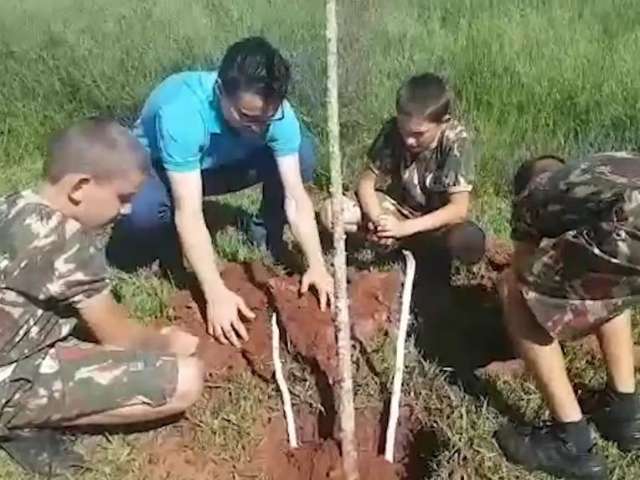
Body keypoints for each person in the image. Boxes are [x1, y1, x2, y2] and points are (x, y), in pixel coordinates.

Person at [0, 119, 204, 476]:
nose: (126, 211)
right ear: (80, 187)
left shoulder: (12, 204)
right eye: (123, 198)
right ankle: (14, 418)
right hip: (7, 374)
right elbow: (119, 337)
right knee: (185, 380)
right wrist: (164, 341)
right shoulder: (68, 244)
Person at [107, 36, 333, 348]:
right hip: (159, 169)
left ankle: (266, 231)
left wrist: (317, 264)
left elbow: (296, 195)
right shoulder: (182, 114)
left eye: (266, 118)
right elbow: (189, 210)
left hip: (219, 167)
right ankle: (167, 245)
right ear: (220, 92)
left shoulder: (277, 115)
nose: (258, 127)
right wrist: (215, 292)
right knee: (146, 214)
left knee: (303, 154)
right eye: (247, 117)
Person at [497, 152, 640, 479]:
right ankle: (625, 414)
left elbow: (524, 269)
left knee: (514, 289)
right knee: (605, 282)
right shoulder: (596, 179)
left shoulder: (533, 197)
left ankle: (570, 443)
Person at [319, 72, 485, 268]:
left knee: (469, 240)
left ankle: (426, 255)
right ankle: (390, 243)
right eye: (404, 130)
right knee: (332, 212)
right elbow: (366, 183)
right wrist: (379, 221)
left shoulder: (456, 141)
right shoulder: (392, 130)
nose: (409, 140)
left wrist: (404, 229)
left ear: (443, 122)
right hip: (399, 209)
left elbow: (458, 209)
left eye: (418, 134)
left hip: (437, 223)